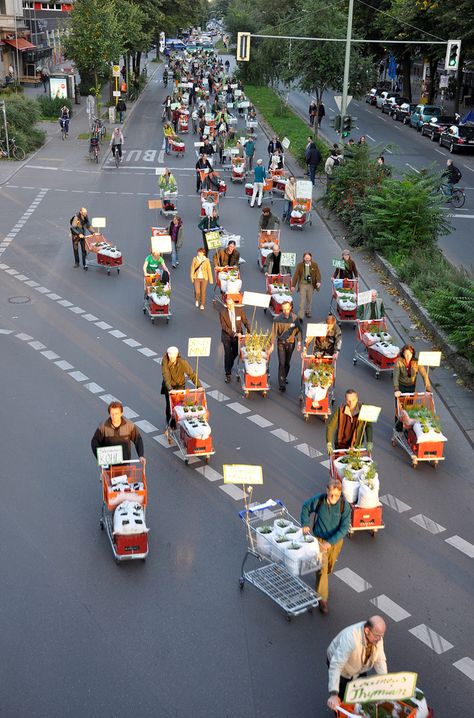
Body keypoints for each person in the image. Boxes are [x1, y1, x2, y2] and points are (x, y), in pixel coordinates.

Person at [301, 479, 351, 614]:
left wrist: (330, 542)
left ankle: (321, 581)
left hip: (334, 542)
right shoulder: (320, 500)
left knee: (329, 567)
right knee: (322, 568)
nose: (332, 497)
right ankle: (322, 598)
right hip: (319, 540)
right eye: (330, 494)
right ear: (327, 491)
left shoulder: (344, 507)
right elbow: (306, 507)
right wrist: (305, 523)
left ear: (340, 493)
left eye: (335, 495)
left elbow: (344, 528)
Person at [326, 617, 388, 710]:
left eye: (382, 636)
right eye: (377, 636)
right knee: (343, 699)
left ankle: (359, 709)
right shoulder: (350, 638)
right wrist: (334, 694)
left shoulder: (377, 637)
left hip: (360, 666)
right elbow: (336, 666)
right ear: (367, 631)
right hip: (341, 667)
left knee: (360, 691)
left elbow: (380, 661)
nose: (380, 639)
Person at [91, 400, 146, 465]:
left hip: (125, 463)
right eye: (112, 414)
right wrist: (100, 457)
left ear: (121, 413)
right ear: (109, 414)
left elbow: (138, 440)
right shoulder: (103, 426)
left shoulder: (129, 425)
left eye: (116, 413)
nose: (114, 416)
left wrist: (141, 455)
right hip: (109, 464)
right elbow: (94, 442)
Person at [161, 347, 201, 435]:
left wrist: (199, 386)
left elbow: (191, 374)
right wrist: (170, 389)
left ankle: (179, 420)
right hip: (169, 387)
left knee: (180, 405)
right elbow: (166, 376)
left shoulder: (182, 362)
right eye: (170, 356)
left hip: (180, 386)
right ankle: (170, 424)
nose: (171, 358)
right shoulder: (165, 361)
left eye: (173, 357)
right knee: (170, 406)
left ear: (177, 355)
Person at [269, 301, 302, 391]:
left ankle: (284, 376)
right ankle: (282, 384)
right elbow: (273, 333)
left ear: (290, 307)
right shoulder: (277, 319)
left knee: (287, 363)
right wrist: (272, 345)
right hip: (281, 343)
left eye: (287, 309)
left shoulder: (295, 318)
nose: (285, 311)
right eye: (283, 309)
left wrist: (299, 343)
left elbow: (299, 331)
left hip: (291, 343)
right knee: (282, 363)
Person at [326, 389, 373, 453]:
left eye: (353, 400)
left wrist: (369, 441)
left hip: (357, 446)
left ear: (357, 399)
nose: (351, 403)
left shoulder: (364, 410)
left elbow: (368, 426)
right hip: (341, 445)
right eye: (348, 401)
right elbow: (330, 427)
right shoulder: (340, 410)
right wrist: (329, 443)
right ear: (345, 400)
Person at [220, 297, 251, 382]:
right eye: (228, 305)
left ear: (234, 303)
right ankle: (228, 374)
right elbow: (224, 327)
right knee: (228, 354)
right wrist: (234, 333)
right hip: (227, 336)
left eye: (231, 304)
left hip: (238, 336)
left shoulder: (239, 310)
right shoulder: (222, 312)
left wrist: (250, 330)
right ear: (226, 305)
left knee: (236, 352)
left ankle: (229, 365)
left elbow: (245, 321)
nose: (230, 306)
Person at [292, 252, 322, 319]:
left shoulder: (314, 265)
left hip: (311, 285)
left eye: (308, 258)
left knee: (309, 299)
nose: (307, 259)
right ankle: (300, 316)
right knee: (302, 301)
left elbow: (318, 274)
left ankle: (308, 311)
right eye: (306, 258)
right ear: (303, 258)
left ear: (311, 258)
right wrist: (293, 285)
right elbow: (296, 276)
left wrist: (318, 282)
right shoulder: (300, 265)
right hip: (303, 285)